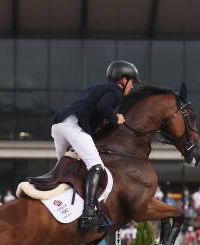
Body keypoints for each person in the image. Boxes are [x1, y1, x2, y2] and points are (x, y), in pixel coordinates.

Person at [51, 60, 138, 229]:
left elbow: (94, 108)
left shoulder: (97, 87)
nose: (132, 86)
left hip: (58, 124)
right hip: (73, 124)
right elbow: (103, 106)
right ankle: (89, 213)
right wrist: (115, 119)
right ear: (122, 80)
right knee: (96, 166)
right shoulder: (115, 91)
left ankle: (59, 204)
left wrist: (103, 121)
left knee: (63, 167)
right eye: (132, 81)